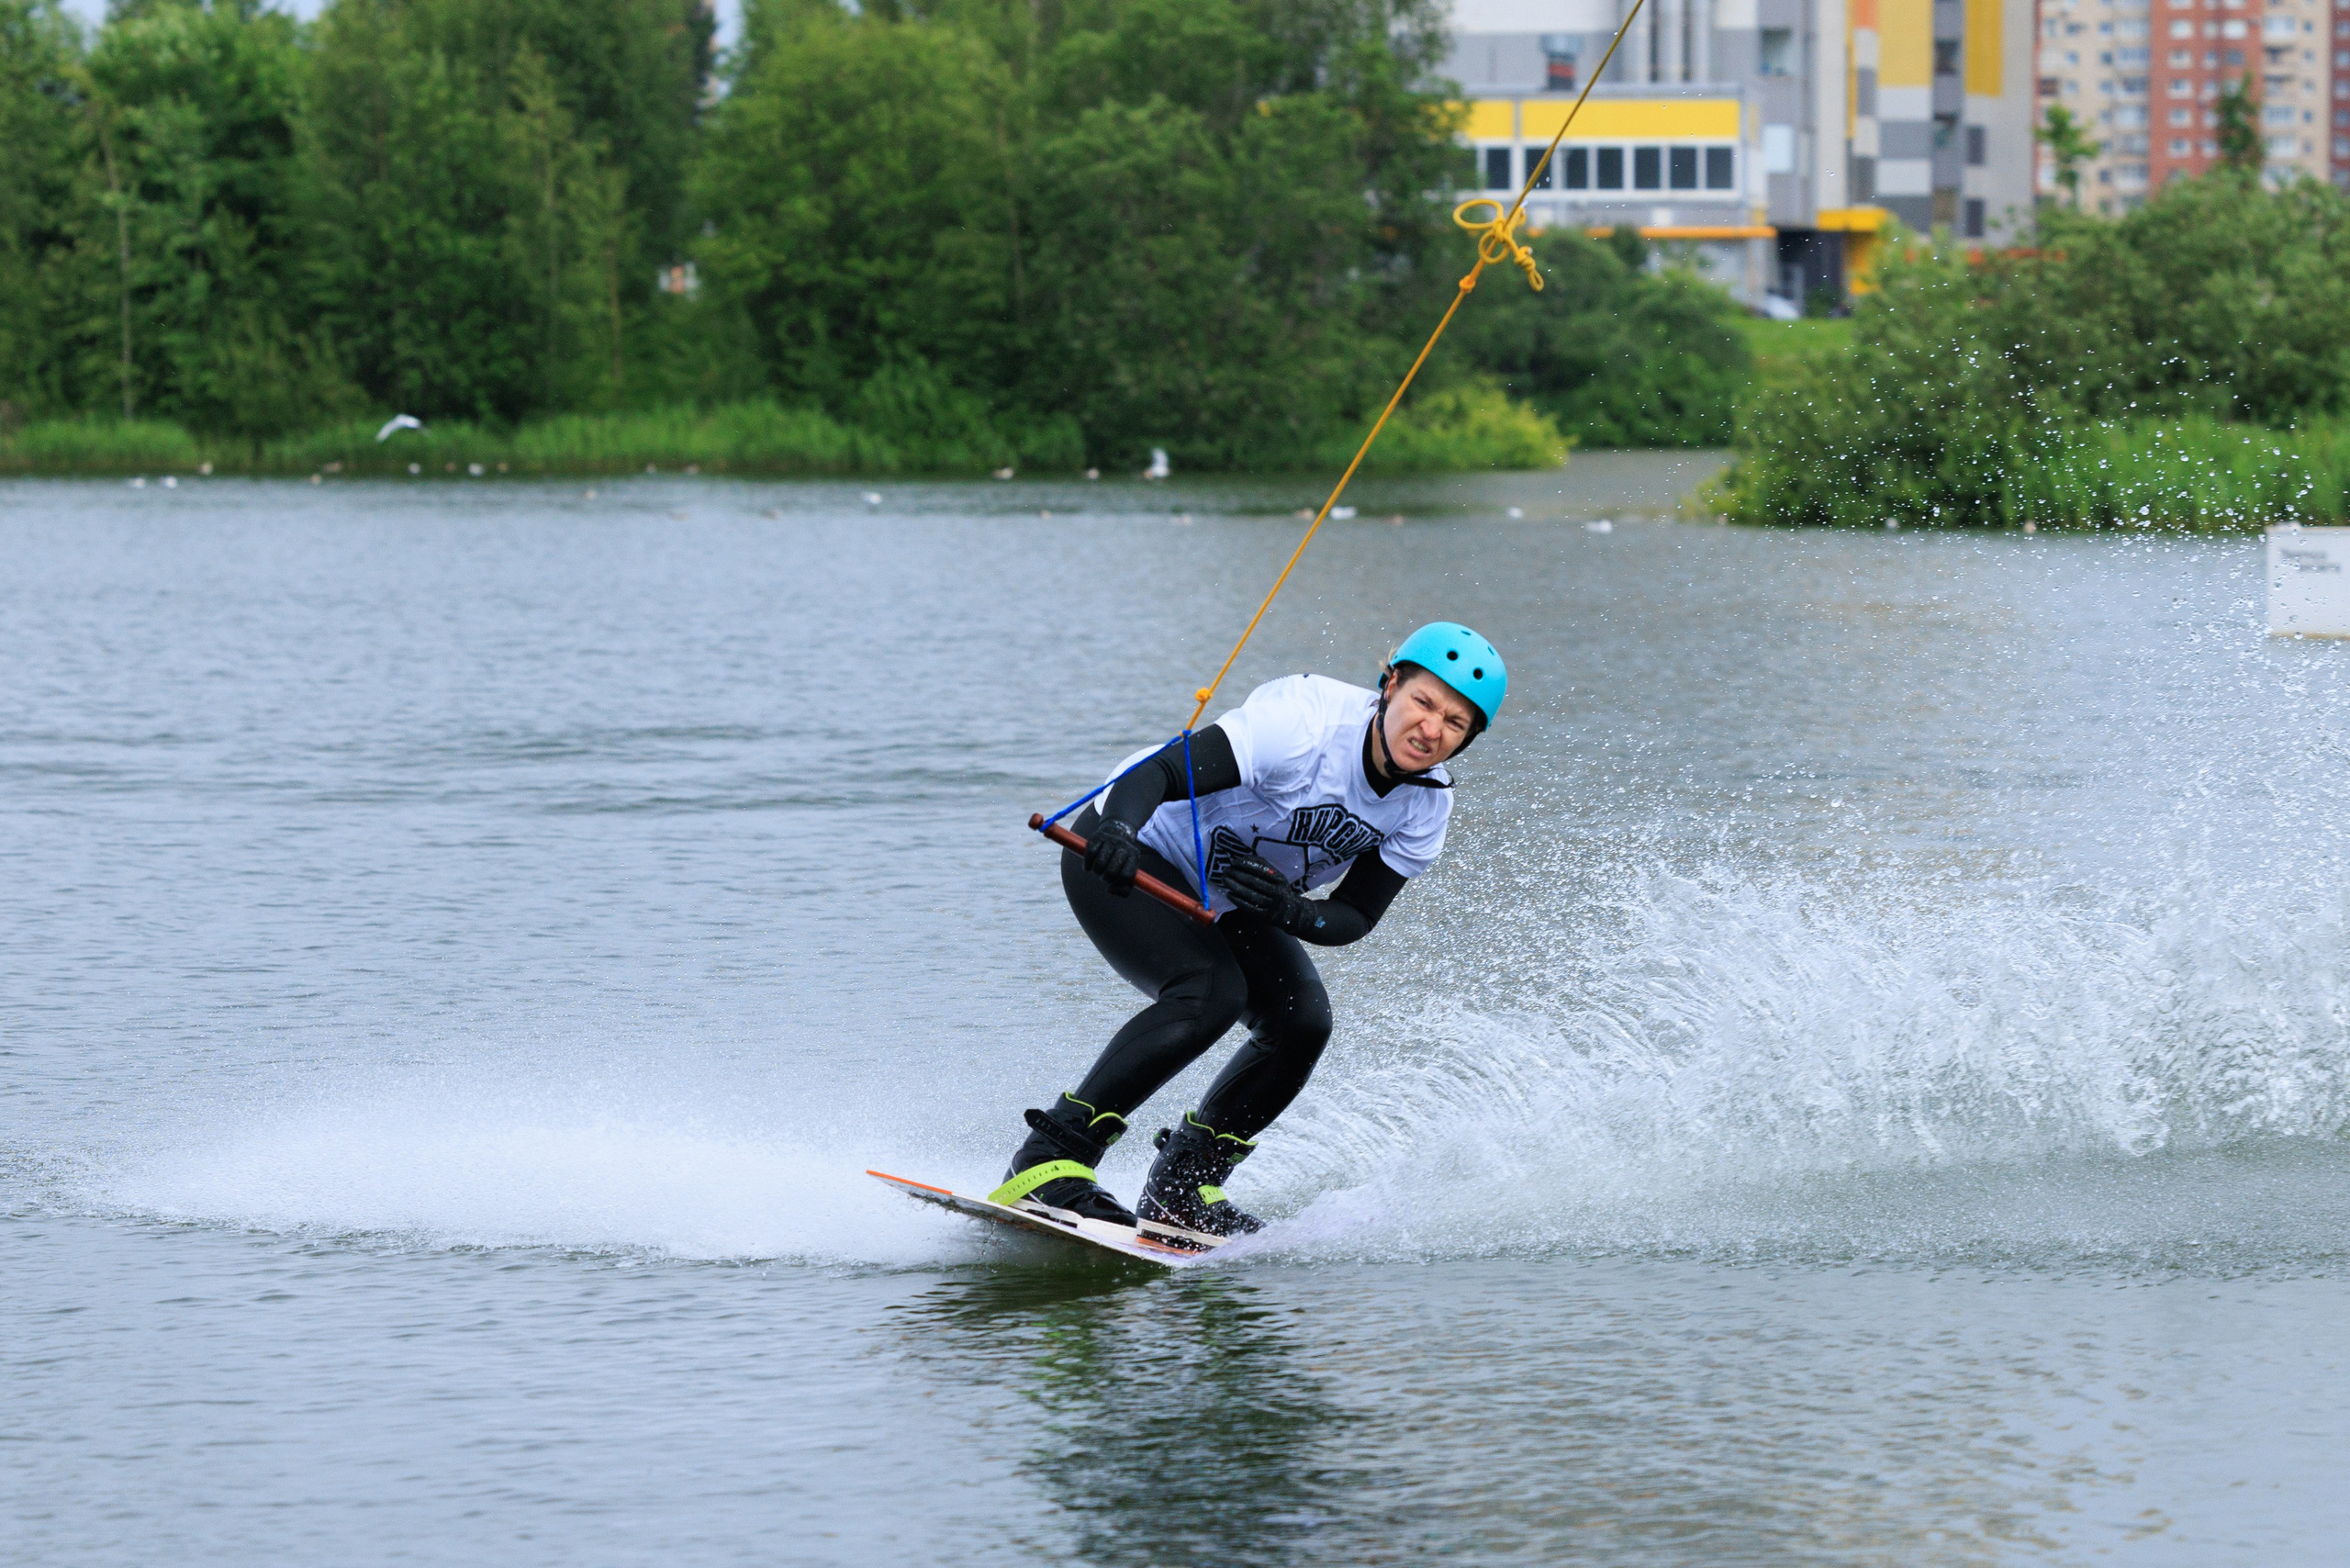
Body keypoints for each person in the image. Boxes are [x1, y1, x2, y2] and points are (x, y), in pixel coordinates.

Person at [993, 622, 1507, 1238]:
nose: (1431, 730)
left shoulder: (1425, 807)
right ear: (1390, 685)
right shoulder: (1304, 724)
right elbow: (1157, 775)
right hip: (1131, 846)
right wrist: (1120, 831)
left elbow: (1356, 914)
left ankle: (1181, 1189)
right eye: (1424, 703)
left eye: (1455, 723)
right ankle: (1051, 1159)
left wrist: (1294, 913)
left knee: (1302, 1021)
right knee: (1210, 992)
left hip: (1224, 893)